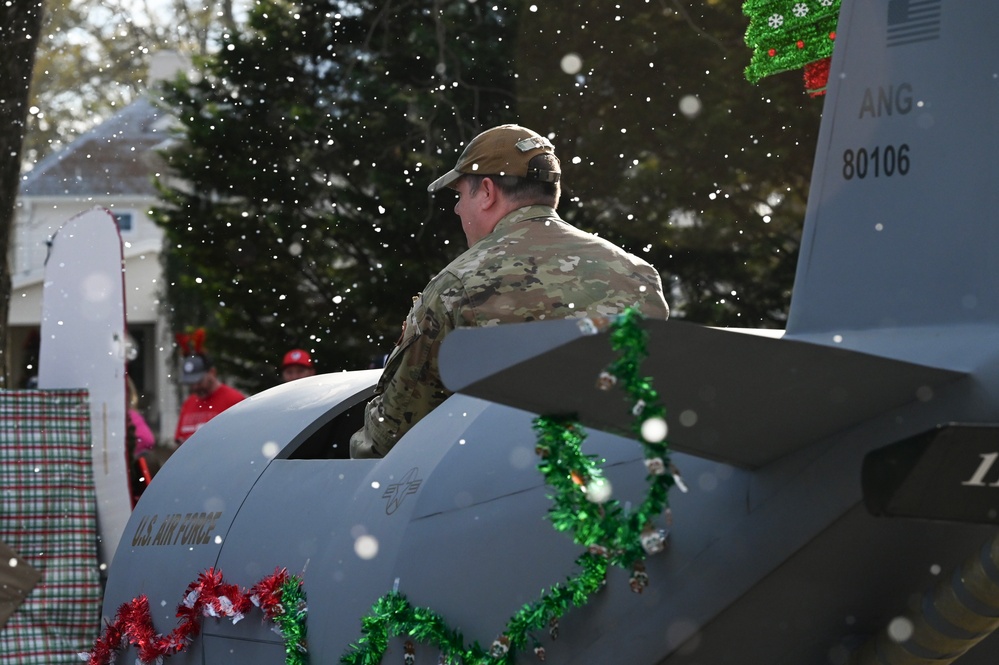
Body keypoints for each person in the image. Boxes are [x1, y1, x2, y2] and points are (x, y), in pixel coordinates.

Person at [349, 124, 670, 459]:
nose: (458, 209)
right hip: (622, 485)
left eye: (460, 196)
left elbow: (391, 434)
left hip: (497, 490)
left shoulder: (457, 286)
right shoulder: (636, 273)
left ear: (487, 191)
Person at [174, 353, 246, 445]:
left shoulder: (234, 401)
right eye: (190, 383)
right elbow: (180, 441)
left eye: (199, 381)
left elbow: (242, 439)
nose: (195, 387)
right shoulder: (188, 403)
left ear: (212, 372)